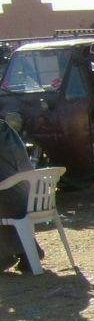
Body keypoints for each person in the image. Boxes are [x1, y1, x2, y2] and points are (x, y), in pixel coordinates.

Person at [0, 112, 39, 271]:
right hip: (30, 196)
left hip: (12, 199)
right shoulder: (7, 131)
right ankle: (27, 253)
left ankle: (9, 255)